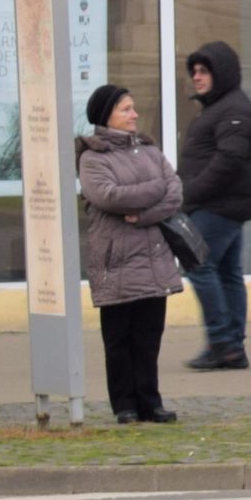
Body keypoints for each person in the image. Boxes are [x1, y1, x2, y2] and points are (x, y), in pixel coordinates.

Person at [77, 85, 184, 424]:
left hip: (153, 260)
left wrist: (143, 215)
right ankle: (124, 404)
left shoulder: (149, 151)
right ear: (106, 115)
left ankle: (150, 402)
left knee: (149, 337)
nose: (134, 115)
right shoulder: (92, 158)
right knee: (119, 340)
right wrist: (155, 190)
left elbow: (175, 193)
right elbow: (109, 197)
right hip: (116, 262)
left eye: (133, 108)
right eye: (126, 109)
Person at [177, 41, 251, 372]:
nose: (197, 77)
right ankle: (231, 345)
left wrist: (192, 192)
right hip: (220, 205)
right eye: (194, 71)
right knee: (226, 273)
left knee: (198, 265)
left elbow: (230, 160)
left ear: (220, 73)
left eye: (204, 71)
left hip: (218, 207)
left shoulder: (233, 110)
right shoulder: (219, 107)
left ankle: (223, 343)